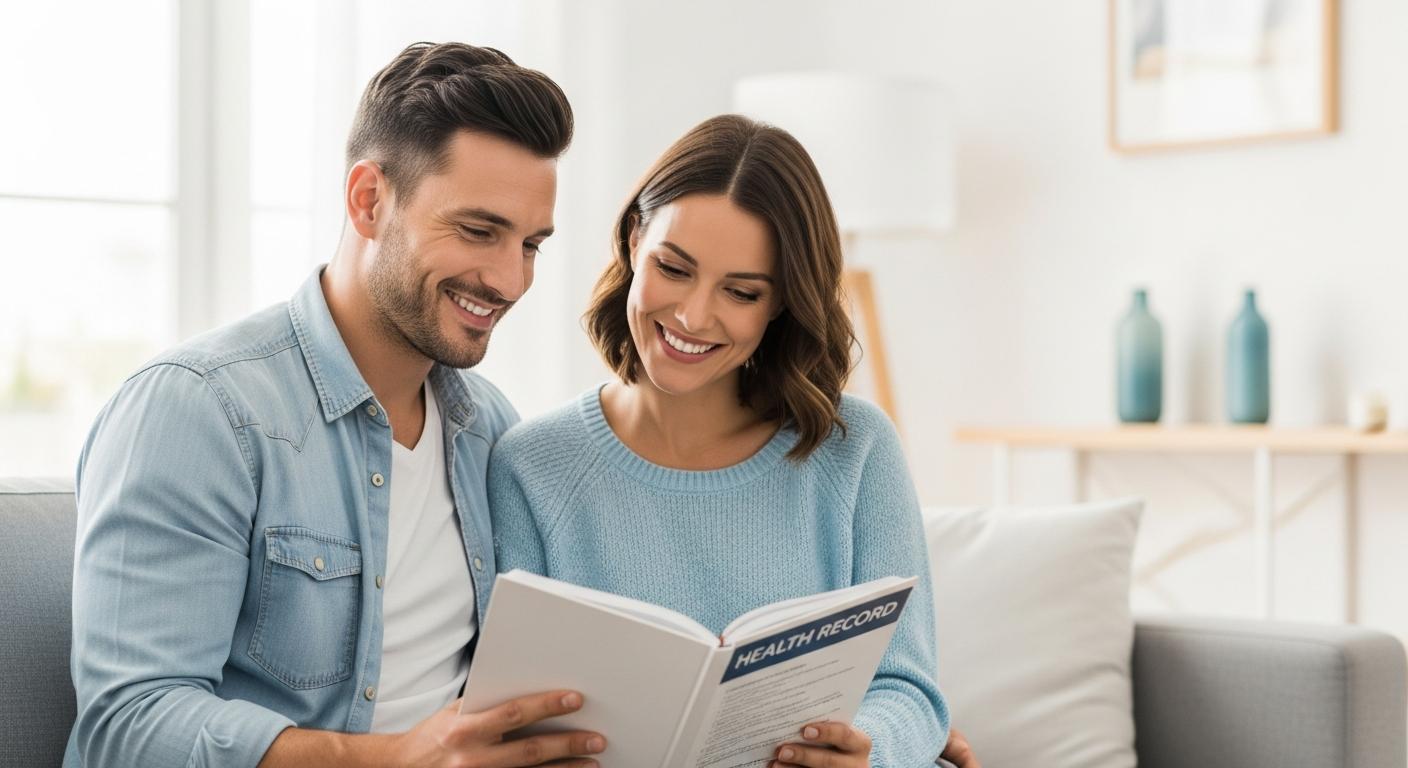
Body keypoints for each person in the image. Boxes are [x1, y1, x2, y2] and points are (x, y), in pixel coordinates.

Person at [66, 42, 607, 768]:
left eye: (531, 244)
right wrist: (397, 758)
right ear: (369, 200)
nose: (509, 279)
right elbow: (127, 727)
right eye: (478, 231)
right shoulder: (199, 409)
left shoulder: (489, 429)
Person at [489, 114, 974, 768]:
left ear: (778, 304)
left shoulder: (854, 449)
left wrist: (867, 752)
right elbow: (507, 712)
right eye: (674, 268)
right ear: (636, 240)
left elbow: (909, 689)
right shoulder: (531, 467)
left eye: (741, 292)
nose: (693, 316)